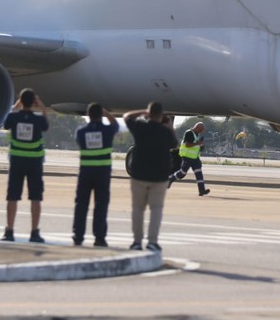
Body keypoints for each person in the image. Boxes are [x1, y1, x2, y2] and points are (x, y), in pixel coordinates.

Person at [122, 101, 178, 253]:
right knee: (156, 209)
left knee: (137, 209)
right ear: (161, 115)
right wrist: (167, 124)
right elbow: (174, 144)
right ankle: (152, 242)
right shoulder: (166, 133)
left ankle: (137, 242)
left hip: (139, 175)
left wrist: (143, 112)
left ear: (149, 114)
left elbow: (126, 117)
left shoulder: (140, 127)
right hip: (159, 177)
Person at [2, 88, 49, 243]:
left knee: (12, 197)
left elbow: (6, 123)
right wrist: (42, 107)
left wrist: (16, 107)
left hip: (17, 162)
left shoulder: (14, 117)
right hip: (34, 163)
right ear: (34, 102)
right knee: (35, 198)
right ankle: (34, 232)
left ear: (21, 101)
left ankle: (9, 231)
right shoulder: (38, 120)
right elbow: (46, 125)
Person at [72, 103, 118, 247]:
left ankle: (78, 236)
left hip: (85, 173)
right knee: (101, 206)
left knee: (81, 205)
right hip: (102, 174)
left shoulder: (81, 132)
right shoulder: (107, 131)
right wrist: (107, 113)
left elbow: (78, 141)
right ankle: (99, 237)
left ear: (88, 115)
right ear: (100, 115)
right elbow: (115, 124)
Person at [168, 121, 210, 196]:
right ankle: (170, 179)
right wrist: (198, 143)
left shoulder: (197, 135)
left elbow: (197, 147)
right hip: (187, 157)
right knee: (182, 173)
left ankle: (202, 190)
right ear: (197, 127)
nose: (201, 132)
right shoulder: (189, 133)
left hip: (195, 158)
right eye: (201, 130)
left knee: (199, 173)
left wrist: (201, 145)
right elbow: (187, 145)